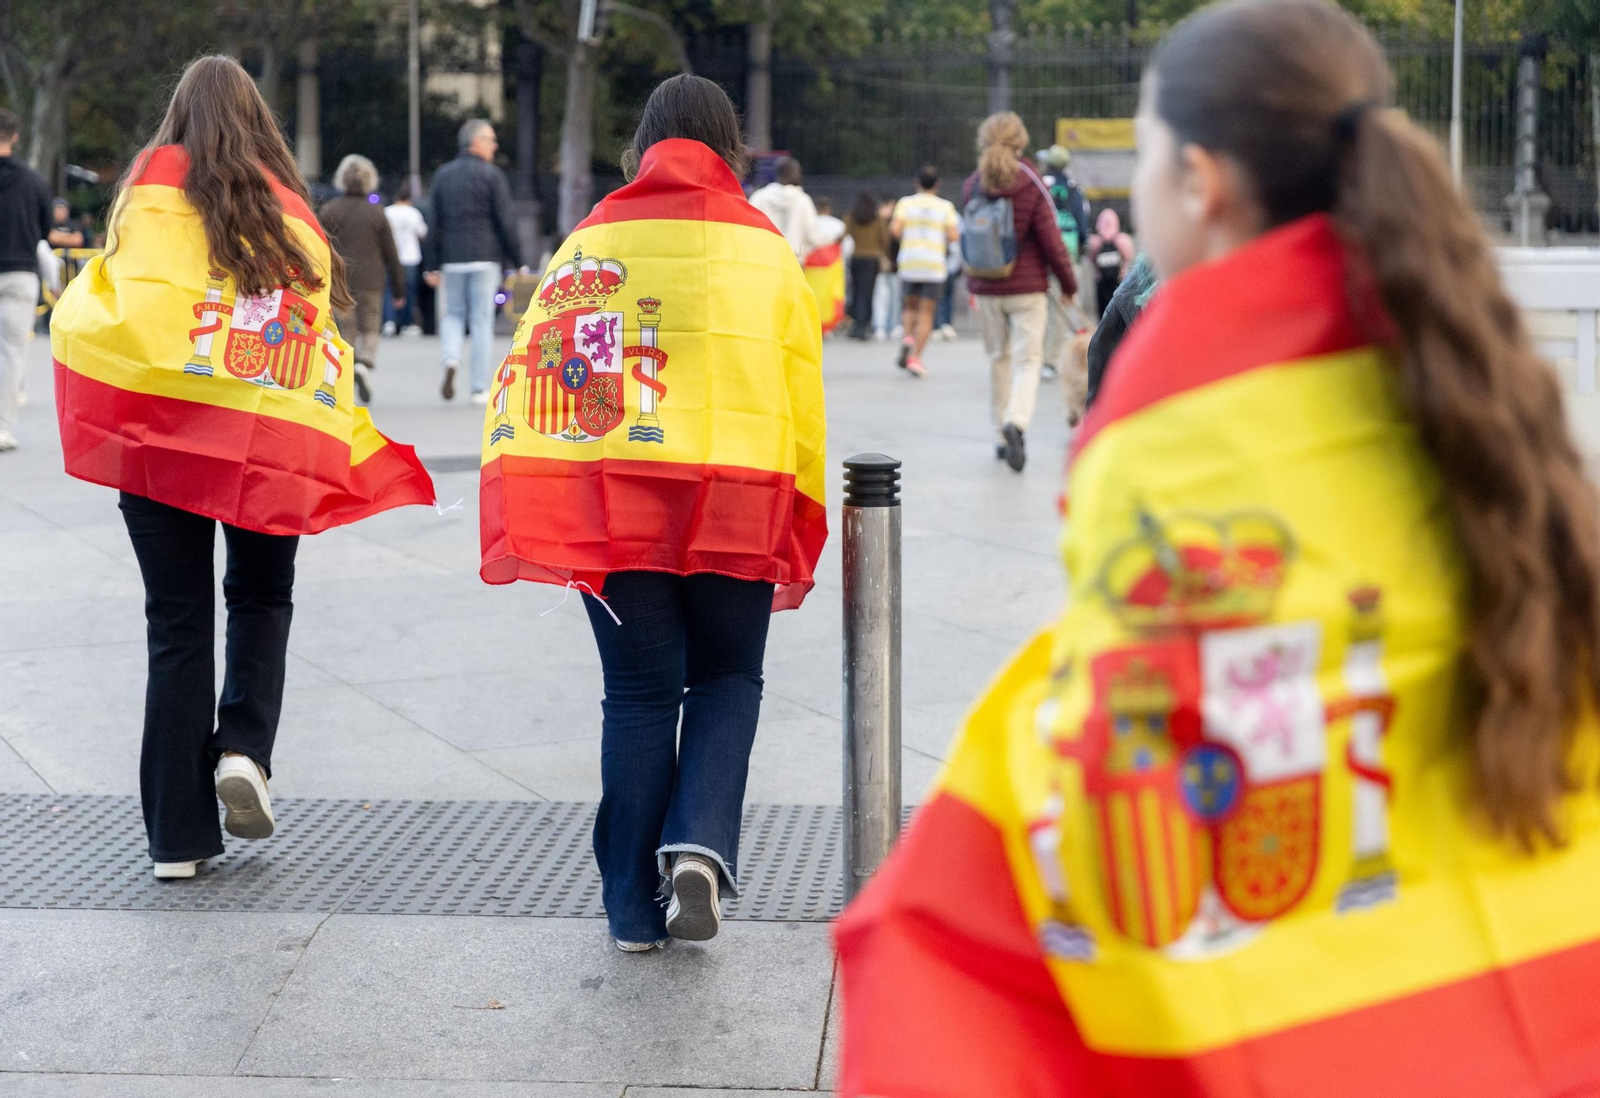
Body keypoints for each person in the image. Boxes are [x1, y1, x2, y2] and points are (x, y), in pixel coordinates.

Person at [834, 3, 1600, 1094]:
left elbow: (1128, 770)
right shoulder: (1471, 381)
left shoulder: (1185, 435)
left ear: (1198, 181)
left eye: (1148, 156)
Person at [50, 56, 435, 881]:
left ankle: (177, 840)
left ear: (177, 118)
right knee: (261, 596)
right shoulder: (290, 215)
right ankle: (245, 749)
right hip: (263, 443)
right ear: (260, 123)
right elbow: (316, 332)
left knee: (176, 625)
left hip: (158, 440)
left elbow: (102, 300)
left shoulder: (142, 198)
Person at [480, 73, 826, 953]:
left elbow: (551, 374)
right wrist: (800, 501)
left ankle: (632, 907)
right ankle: (701, 842)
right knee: (728, 679)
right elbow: (801, 392)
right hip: (740, 495)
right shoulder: (764, 247)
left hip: (621, 500)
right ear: (729, 145)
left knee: (637, 695)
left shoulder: (595, 238)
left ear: (644, 142)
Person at [961, 113, 1077, 472]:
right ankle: (1016, 421)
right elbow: (1051, 240)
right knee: (1029, 361)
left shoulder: (974, 183)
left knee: (998, 358)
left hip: (986, 286)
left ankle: (1000, 436)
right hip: (1027, 288)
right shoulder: (1031, 182)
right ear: (1020, 141)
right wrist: (1068, 284)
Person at [422, 118, 523, 405]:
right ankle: (479, 388)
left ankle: (451, 359)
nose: (495, 146)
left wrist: (431, 264)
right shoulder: (492, 176)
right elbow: (505, 220)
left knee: (453, 314)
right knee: (481, 320)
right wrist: (518, 261)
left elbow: (434, 222)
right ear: (476, 142)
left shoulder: (443, 175)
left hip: (452, 259)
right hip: (485, 257)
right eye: (491, 140)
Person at [318, 154, 404, 404]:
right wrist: (399, 290)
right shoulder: (377, 213)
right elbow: (391, 254)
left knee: (347, 328)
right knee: (371, 326)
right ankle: (364, 363)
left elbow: (319, 247)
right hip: (372, 280)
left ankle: (347, 368)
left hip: (339, 280)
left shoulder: (329, 210)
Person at [0, 108, 51, 454]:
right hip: (19, 272)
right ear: (15, 137)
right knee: (11, 353)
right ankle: (2, 428)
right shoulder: (32, 180)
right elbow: (45, 227)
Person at [890, 165, 959, 378]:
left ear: (916, 182)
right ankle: (915, 357)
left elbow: (895, 229)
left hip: (910, 262)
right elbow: (953, 235)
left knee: (910, 306)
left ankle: (907, 337)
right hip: (933, 264)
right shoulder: (945, 206)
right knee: (927, 312)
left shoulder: (905, 203)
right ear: (938, 184)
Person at [1037, 144, 1093, 378]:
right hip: (1067, 250)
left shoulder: (1040, 184)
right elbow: (1081, 221)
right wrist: (1082, 246)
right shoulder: (1073, 188)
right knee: (1064, 305)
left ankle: (1043, 358)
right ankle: (1054, 360)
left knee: (1040, 307)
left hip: (1042, 251)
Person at [748, 155, 822, 261]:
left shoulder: (759, 197)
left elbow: (749, 228)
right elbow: (813, 235)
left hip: (764, 259)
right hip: (794, 261)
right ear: (793, 173)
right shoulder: (803, 200)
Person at [843, 191, 888, 340]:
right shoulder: (877, 218)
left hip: (856, 257)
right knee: (867, 293)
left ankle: (856, 324)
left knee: (856, 291)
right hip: (872, 259)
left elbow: (845, 234)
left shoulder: (852, 217)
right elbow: (884, 239)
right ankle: (864, 325)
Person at [383, 180, 427, 336]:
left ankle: (389, 321)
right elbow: (422, 233)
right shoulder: (414, 213)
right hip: (410, 256)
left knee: (389, 289)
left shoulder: (387, 212)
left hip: (391, 257)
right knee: (409, 291)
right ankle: (407, 323)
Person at [803, 197, 847, 336]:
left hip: (812, 267)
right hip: (832, 266)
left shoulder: (810, 223)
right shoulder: (838, 225)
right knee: (830, 296)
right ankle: (828, 326)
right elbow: (846, 247)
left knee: (812, 295)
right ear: (829, 209)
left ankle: (812, 324)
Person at [1087, 206, 1135, 320]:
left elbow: (1091, 259)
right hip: (1119, 281)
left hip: (1101, 282)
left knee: (1103, 314)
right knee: (1120, 313)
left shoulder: (1094, 242)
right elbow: (1129, 257)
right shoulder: (1123, 240)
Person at [871, 198, 901, 340]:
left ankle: (893, 325)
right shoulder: (876, 223)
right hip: (882, 267)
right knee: (881, 297)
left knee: (895, 298)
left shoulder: (897, 224)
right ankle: (880, 326)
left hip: (895, 267)